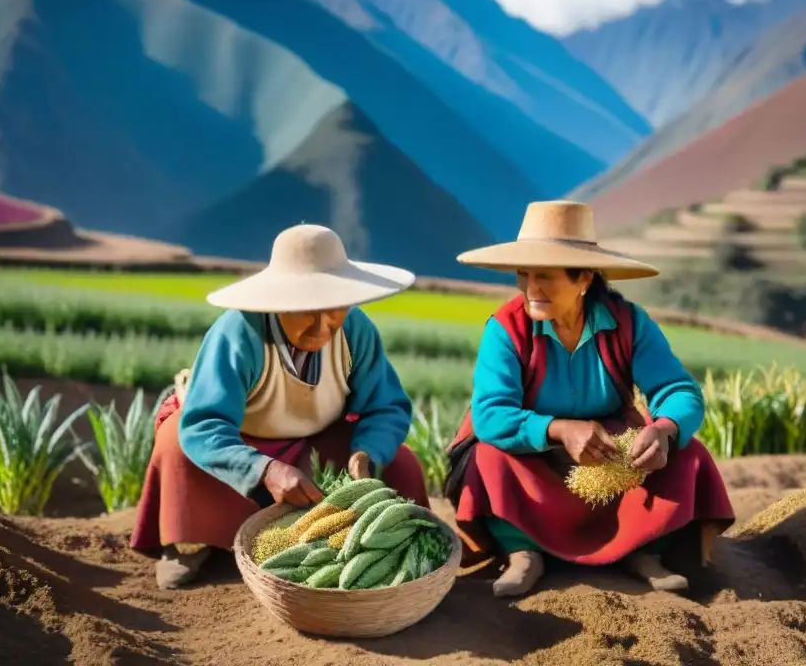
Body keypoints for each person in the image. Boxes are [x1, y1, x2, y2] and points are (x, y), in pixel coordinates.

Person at [444, 200, 735, 598]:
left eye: (545, 276)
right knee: (487, 459)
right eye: (524, 275)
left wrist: (665, 429)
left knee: (689, 454)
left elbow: (678, 391)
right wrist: (558, 429)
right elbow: (491, 414)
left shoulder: (630, 324)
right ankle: (522, 550)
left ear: (583, 279)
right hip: (531, 453)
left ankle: (644, 549)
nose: (531, 289)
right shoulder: (505, 329)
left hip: (611, 453)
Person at [130, 224, 430, 589]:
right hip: (238, 441)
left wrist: (365, 454)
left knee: (400, 464)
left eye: (334, 310)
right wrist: (264, 470)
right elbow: (204, 424)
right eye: (307, 311)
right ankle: (190, 541)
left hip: (316, 438)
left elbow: (386, 406)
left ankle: (385, 544)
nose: (322, 327)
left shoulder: (356, 331)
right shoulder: (238, 333)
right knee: (176, 444)